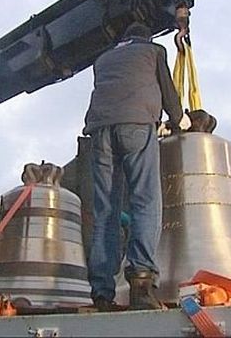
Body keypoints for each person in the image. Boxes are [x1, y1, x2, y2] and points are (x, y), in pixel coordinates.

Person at [82, 21, 191, 311]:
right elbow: (168, 93)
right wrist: (181, 121)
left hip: (100, 131)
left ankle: (102, 293)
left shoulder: (103, 59)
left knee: (105, 212)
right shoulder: (154, 50)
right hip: (137, 126)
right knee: (145, 200)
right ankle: (141, 283)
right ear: (147, 36)